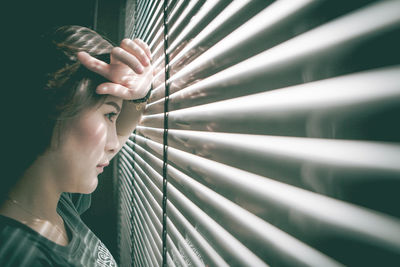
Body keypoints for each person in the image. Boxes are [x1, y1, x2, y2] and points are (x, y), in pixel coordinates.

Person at [0, 25, 153, 266]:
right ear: (63, 103)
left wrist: (138, 95)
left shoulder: (60, 204)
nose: (114, 145)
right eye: (109, 115)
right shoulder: (18, 255)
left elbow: (122, 129)